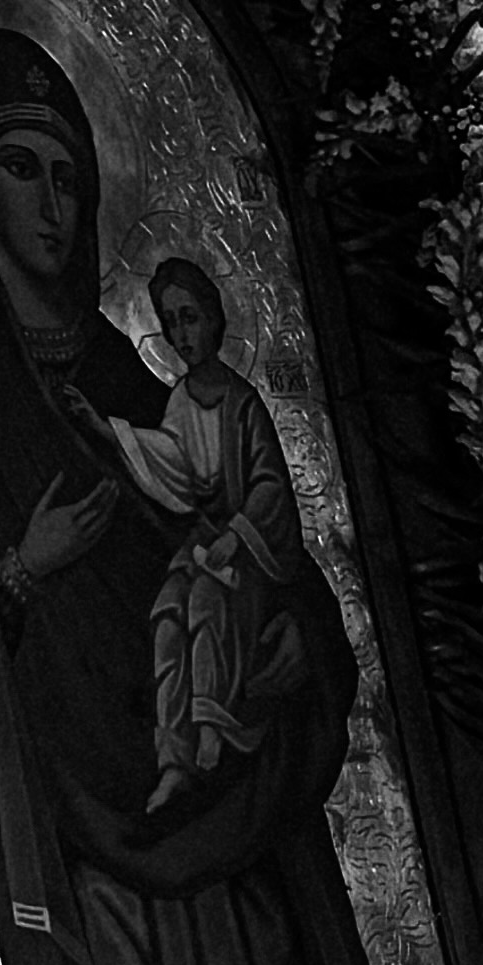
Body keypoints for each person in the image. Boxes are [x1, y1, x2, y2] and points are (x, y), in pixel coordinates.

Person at [0, 29, 400, 965]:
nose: (53, 203)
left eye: (71, 175)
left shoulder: (133, 377)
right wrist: (24, 570)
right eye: (24, 168)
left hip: (211, 796)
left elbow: (258, 550)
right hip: (79, 835)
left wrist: (293, 634)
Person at [99, 253, 293, 818]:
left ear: (213, 318)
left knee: (206, 604)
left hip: (250, 552)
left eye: (190, 317)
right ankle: (172, 762)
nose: (182, 334)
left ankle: (211, 730)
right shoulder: (181, 400)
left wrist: (238, 533)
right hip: (206, 539)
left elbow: (270, 485)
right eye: (170, 321)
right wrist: (105, 432)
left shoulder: (242, 403)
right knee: (167, 615)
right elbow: (173, 460)